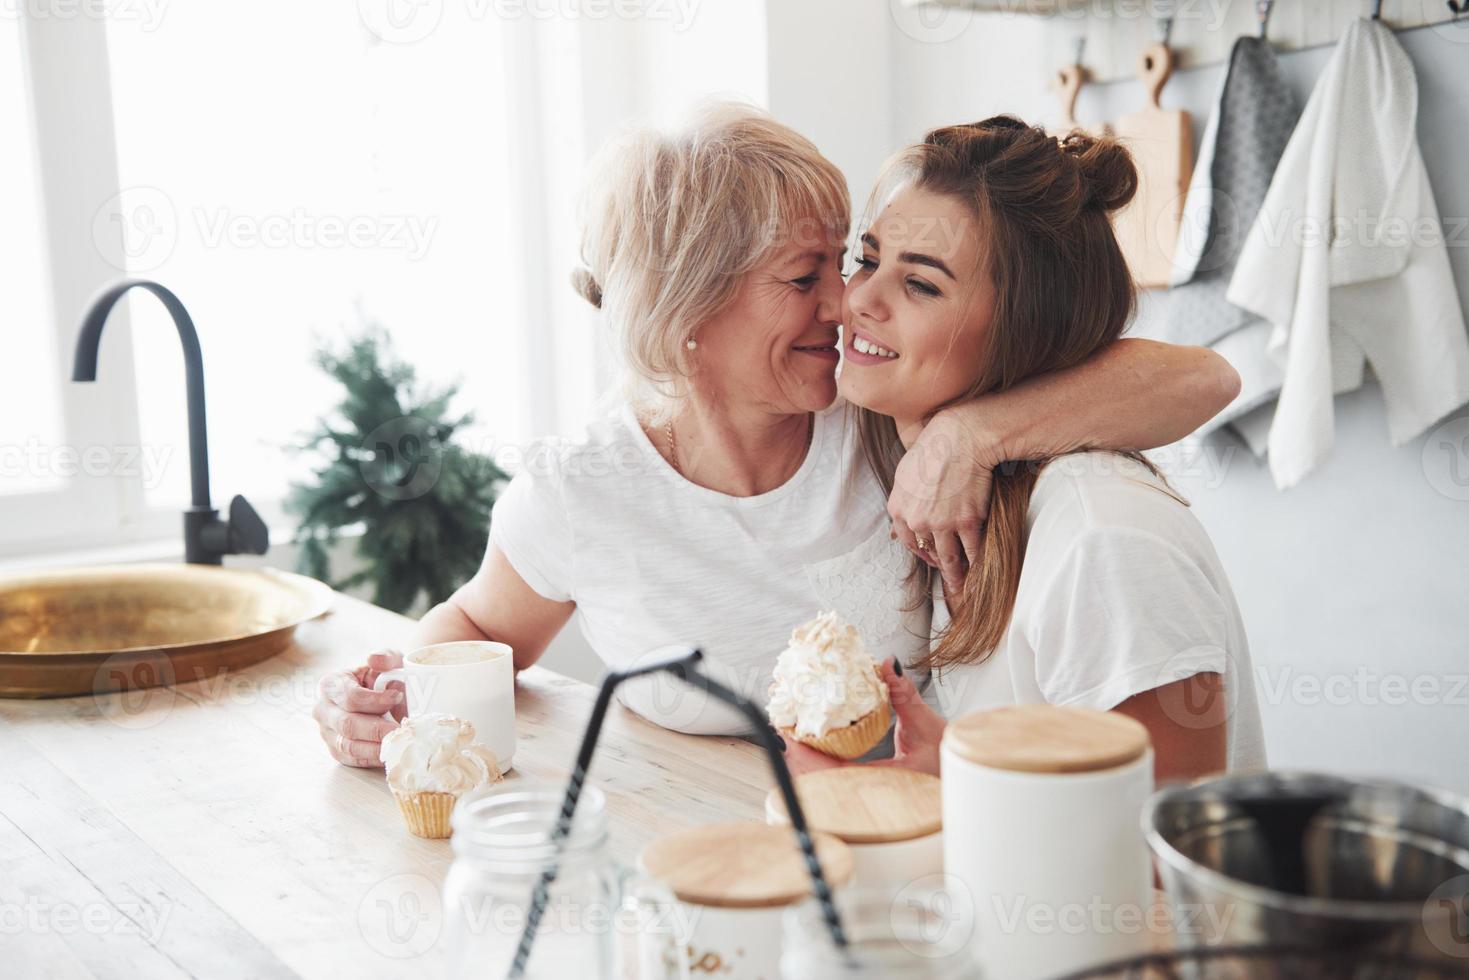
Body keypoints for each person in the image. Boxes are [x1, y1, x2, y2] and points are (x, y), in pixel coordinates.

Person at [314, 103, 1241, 767]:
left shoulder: (880, 419)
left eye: (848, 263)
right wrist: (394, 691)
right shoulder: (583, 487)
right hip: (710, 841)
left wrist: (972, 433)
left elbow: (1202, 376)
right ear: (689, 308)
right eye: (809, 277)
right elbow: (477, 625)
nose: (844, 303)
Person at [791, 116, 1264, 783]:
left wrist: (970, 431)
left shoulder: (1103, 541)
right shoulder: (933, 484)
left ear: (1025, 332)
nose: (859, 300)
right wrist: (940, 770)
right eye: (866, 261)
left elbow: (1159, 854)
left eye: (921, 284)